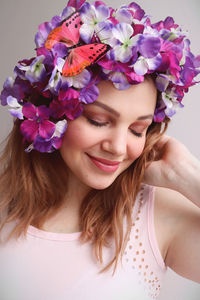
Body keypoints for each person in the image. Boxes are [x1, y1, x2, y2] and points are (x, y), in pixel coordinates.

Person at [0, 0, 200, 299]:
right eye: (98, 121)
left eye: (137, 130)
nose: (119, 148)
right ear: (52, 111)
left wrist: (189, 177)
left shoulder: (157, 214)